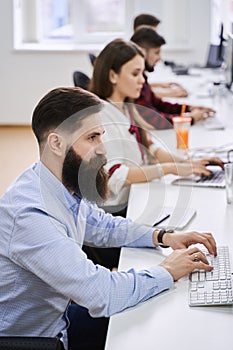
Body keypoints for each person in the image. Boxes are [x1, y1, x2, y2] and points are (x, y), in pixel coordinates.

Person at [0, 87, 217, 350]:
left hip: (61, 317)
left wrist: (162, 236)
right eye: (92, 138)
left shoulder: (60, 185)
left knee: (156, 315)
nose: (103, 149)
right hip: (37, 342)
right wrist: (167, 270)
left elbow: (101, 225)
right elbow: (101, 293)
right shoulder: (31, 215)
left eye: (101, 136)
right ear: (56, 143)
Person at [89, 38, 224, 216]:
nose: (142, 81)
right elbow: (113, 175)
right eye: (135, 74)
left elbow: (149, 147)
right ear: (113, 76)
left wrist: (185, 163)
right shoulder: (102, 118)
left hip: (135, 196)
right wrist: (170, 169)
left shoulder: (125, 107)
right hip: (117, 210)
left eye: (143, 74)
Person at [130, 27, 216, 129]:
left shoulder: (142, 77)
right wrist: (191, 119)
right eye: (156, 53)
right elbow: (155, 120)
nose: (160, 58)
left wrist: (188, 108)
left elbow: (157, 104)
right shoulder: (134, 83)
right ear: (142, 52)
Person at [133, 13, 188, 98]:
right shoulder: (129, 64)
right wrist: (171, 93)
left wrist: (159, 85)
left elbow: (143, 88)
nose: (154, 36)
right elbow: (139, 95)